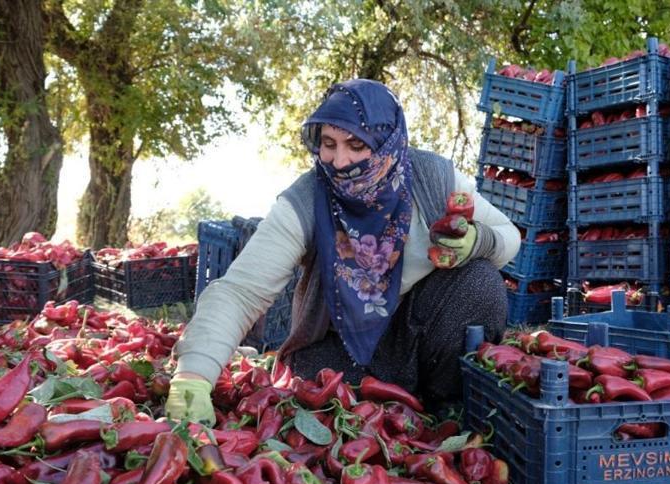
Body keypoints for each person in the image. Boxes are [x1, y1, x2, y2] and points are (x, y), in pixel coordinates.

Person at [166, 79, 520, 425]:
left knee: (480, 280)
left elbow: (508, 235)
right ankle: (402, 413)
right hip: (340, 352)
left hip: (416, 340)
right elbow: (242, 291)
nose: (339, 160)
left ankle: (447, 408)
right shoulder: (307, 200)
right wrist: (194, 375)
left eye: (356, 144)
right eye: (329, 143)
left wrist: (476, 241)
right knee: (322, 407)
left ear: (387, 142)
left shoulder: (432, 178)